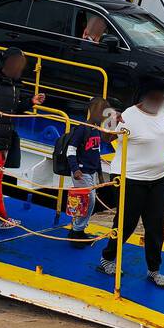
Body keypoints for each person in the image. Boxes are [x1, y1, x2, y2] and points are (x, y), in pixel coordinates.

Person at [99, 80, 164, 288]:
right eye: (155, 99)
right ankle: (107, 258)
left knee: (156, 224)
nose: (159, 102)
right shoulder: (129, 115)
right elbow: (105, 136)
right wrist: (110, 118)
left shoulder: (161, 112)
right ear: (144, 98)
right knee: (126, 223)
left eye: (162, 99)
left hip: (159, 178)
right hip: (131, 179)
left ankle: (154, 269)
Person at [0, 48, 45, 229]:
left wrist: (30, 102)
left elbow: (13, 110)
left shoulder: (13, 85)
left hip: (3, 139)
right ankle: (3, 218)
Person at [63, 97, 110, 246]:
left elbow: (96, 153)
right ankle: (77, 232)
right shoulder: (82, 129)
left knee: (89, 202)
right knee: (87, 202)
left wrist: (100, 174)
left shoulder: (96, 130)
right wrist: (75, 169)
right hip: (81, 172)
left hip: (91, 172)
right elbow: (71, 151)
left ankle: (78, 228)